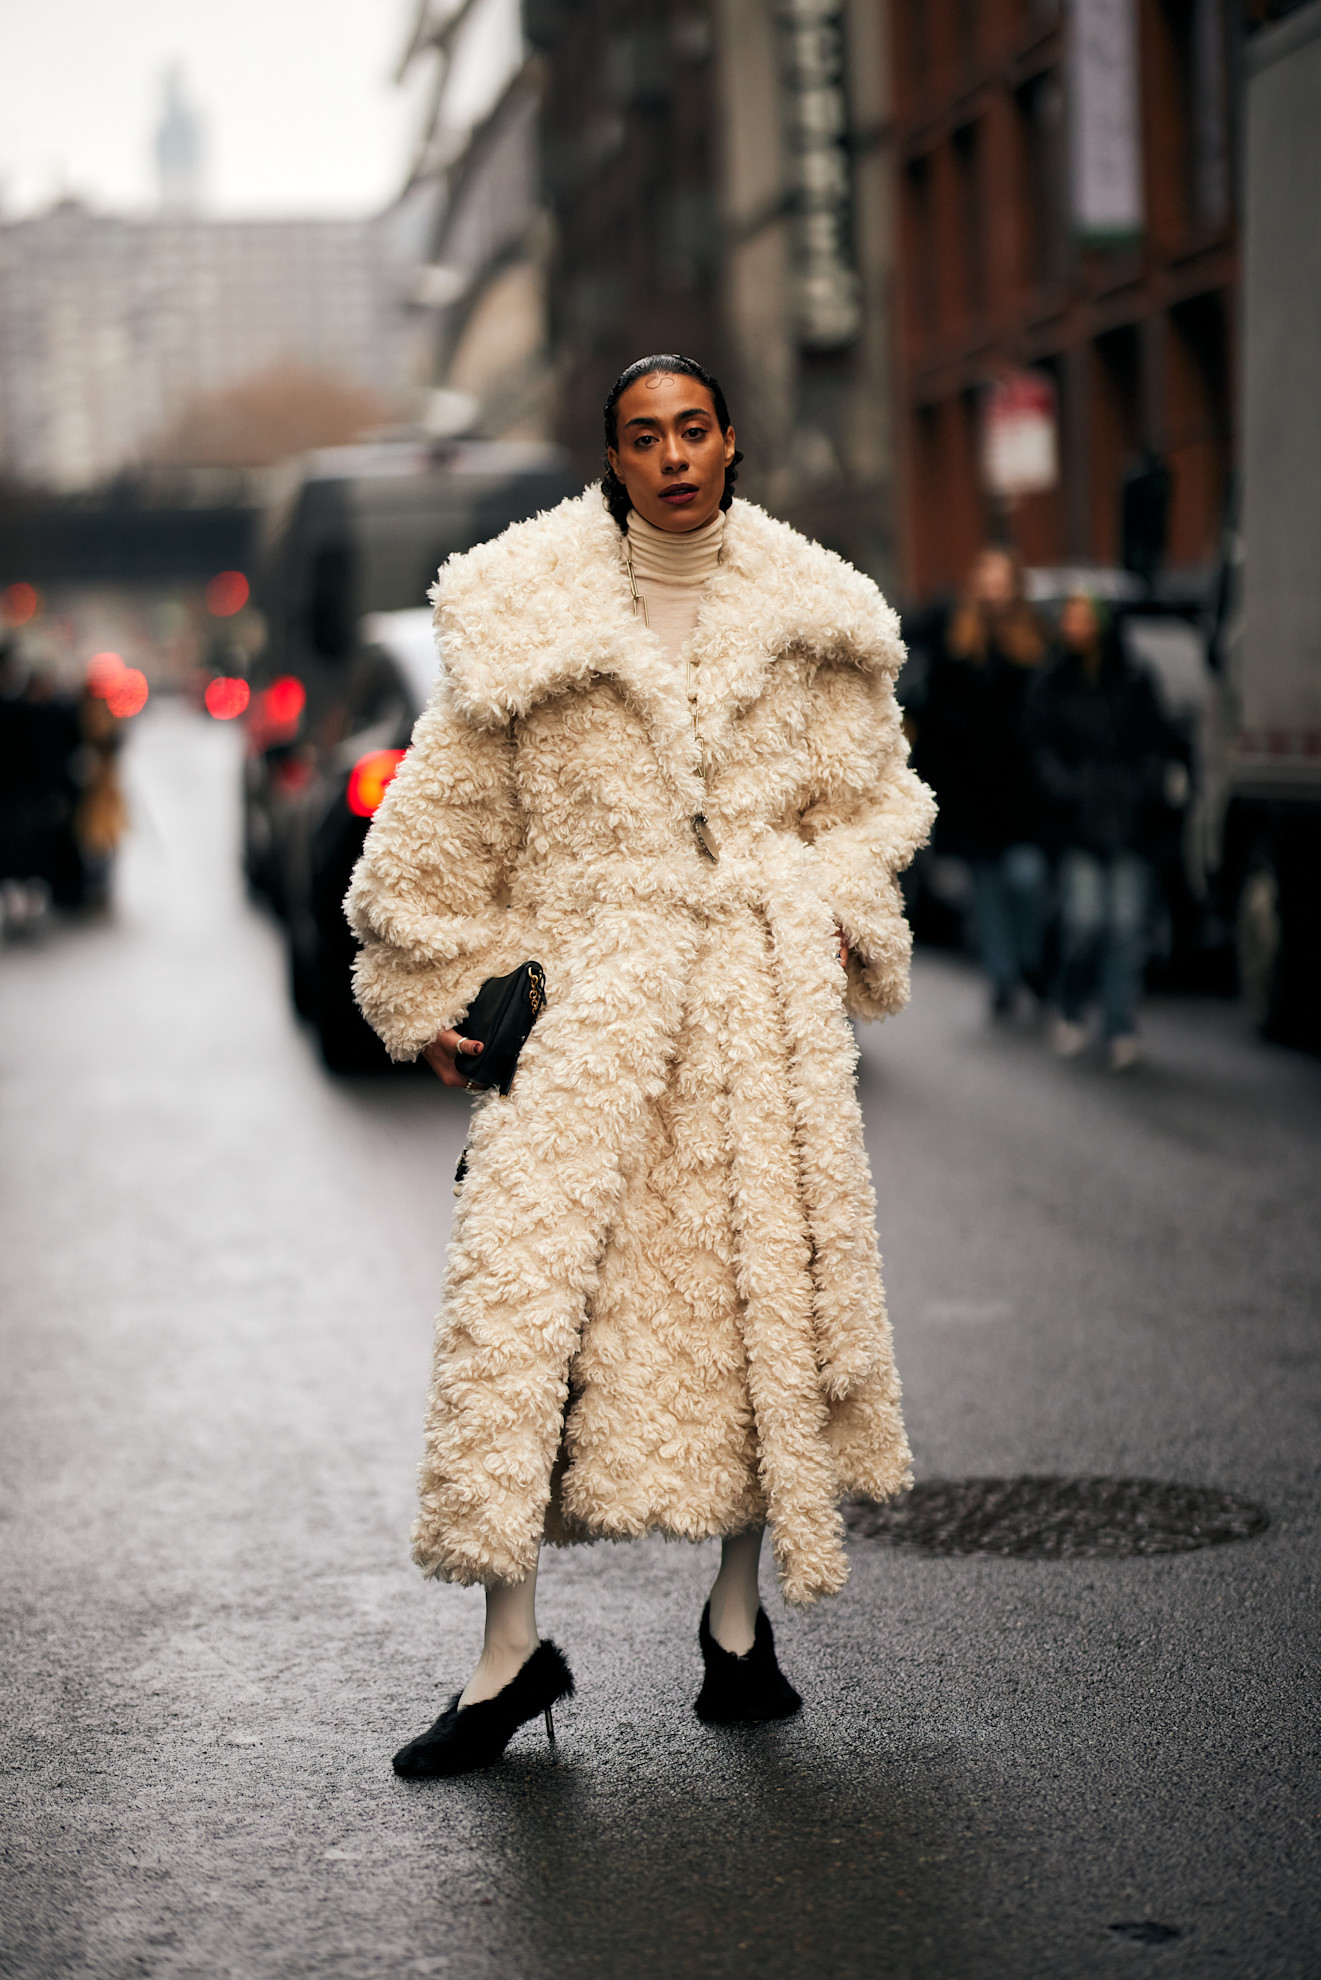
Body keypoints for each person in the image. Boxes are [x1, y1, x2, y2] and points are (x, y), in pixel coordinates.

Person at [346, 354, 936, 1777]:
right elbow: (430, 838)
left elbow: (879, 804)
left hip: (747, 1021)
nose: (672, 455)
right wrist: (437, 992)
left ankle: (735, 1626)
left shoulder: (816, 617)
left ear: (729, 441)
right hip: (586, 1020)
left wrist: (823, 907)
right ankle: (507, 1656)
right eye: (642, 436)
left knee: (752, 1309)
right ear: (611, 458)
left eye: (692, 429)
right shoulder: (523, 613)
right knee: (519, 1321)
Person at [1027, 593, 1185, 1070]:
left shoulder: (1135, 678)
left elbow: (1158, 740)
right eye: (1069, 619)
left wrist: (1143, 788)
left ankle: (1120, 1024)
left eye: (1083, 618)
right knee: (1084, 923)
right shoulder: (1053, 681)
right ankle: (1072, 1006)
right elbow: (1038, 747)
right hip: (1079, 823)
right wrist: (1068, 790)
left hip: (1131, 822)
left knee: (1127, 928)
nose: (1074, 627)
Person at [909, 547, 1048, 1015]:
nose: (993, 592)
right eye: (986, 582)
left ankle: (1031, 962)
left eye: (1001, 582)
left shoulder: (1034, 644)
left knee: (1026, 877)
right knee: (986, 891)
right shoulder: (957, 644)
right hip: (972, 795)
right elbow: (935, 720)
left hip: (1021, 793)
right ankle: (1004, 978)